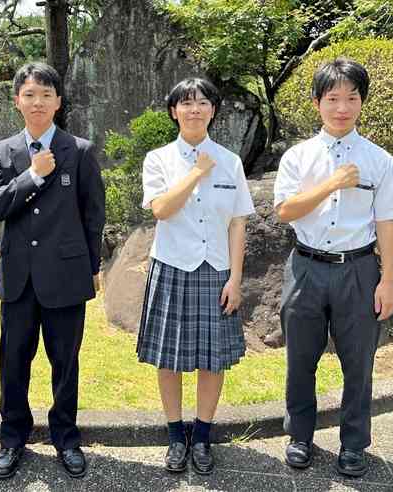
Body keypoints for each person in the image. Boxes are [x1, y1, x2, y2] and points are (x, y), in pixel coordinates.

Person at [273, 58, 393, 477]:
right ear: (317, 102)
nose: (342, 107)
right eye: (333, 98)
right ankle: (299, 436)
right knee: (300, 357)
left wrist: (387, 280)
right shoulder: (298, 157)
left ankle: (353, 444)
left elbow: (386, 222)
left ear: (362, 102)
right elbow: (284, 210)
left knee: (358, 361)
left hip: (359, 268)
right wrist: (331, 183)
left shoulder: (380, 160)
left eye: (352, 98)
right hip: (306, 266)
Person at [0, 62, 106, 480]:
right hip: (18, 277)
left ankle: (66, 437)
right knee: (13, 360)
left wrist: (93, 268)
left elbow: (93, 216)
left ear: (58, 102)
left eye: (46, 95)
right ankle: (12, 436)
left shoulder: (81, 150)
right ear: (18, 100)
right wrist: (33, 175)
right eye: (30, 95)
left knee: (64, 362)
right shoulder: (2, 152)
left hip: (67, 277)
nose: (38, 102)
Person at [137, 77, 255, 475]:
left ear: (213, 110)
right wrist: (195, 172)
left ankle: (202, 435)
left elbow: (238, 223)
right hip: (171, 267)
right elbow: (161, 210)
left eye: (202, 102)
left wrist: (235, 278)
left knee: (213, 358)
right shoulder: (158, 159)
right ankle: (174, 434)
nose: (194, 109)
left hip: (216, 269)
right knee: (168, 357)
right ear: (173, 111)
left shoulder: (231, 161)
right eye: (185, 103)